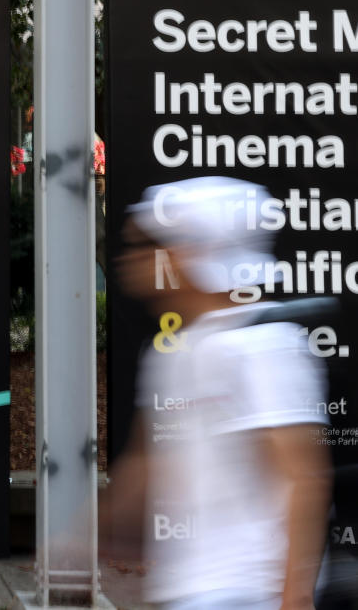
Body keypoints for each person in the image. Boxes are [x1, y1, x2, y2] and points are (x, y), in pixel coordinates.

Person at [107, 177, 333, 610]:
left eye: (150, 246)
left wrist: (295, 598)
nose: (131, 260)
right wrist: (86, 536)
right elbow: (147, 464)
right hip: (192, 590)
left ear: (193, 253)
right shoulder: (171, 353)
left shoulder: (263, 345)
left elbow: (303, 479)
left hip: (251, 593)